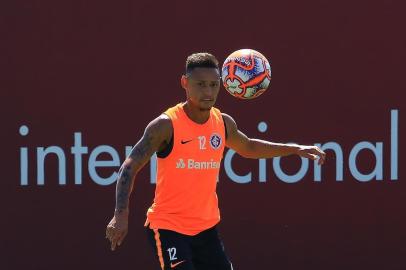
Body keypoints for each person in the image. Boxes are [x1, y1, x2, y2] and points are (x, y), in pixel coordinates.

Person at [105, 52, 326, 270]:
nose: (208, 92)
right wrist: (120, 215)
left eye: (213, 85)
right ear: (185, 82)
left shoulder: (222, 123)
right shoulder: (166, 125)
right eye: (201, 84)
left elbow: (248, 146)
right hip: (168, 227)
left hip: (206, 230)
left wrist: (294, 149)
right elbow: (130, 166)